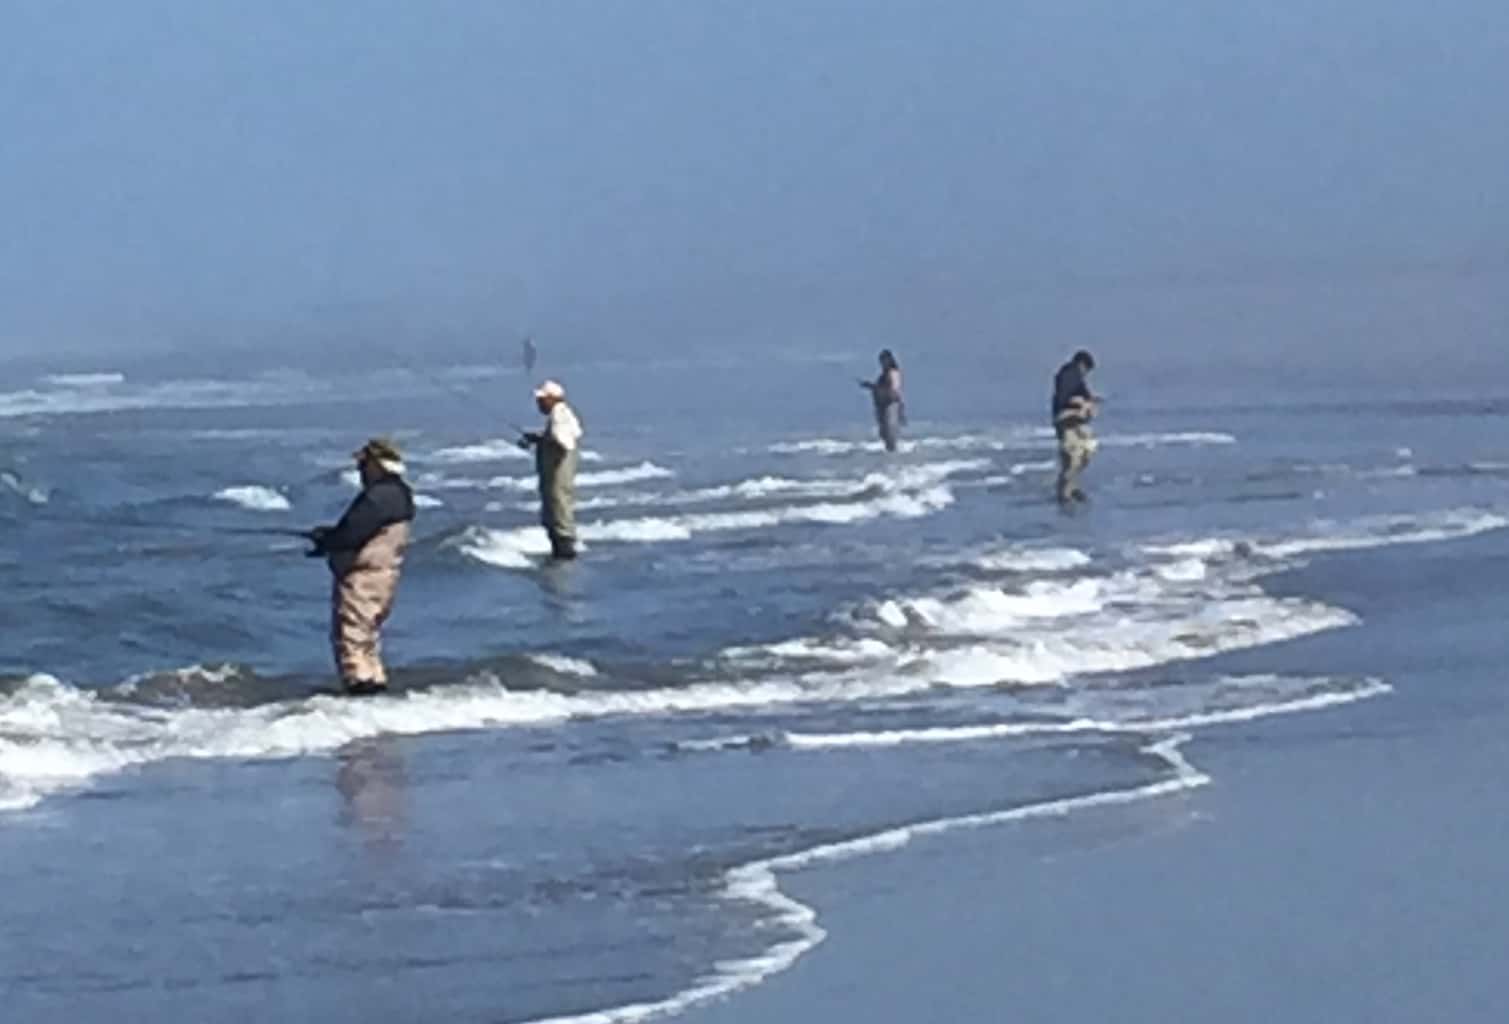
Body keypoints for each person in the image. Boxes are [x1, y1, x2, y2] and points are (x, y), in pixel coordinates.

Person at [307, 438, 416, 695]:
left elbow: (352, 533)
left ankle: (362, 692)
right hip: (384, 577)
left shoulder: (378, 498)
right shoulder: (401, 495)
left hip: (364, 577)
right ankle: (375, 683)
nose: (361, 472)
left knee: (353, 636)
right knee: (368, 637)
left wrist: (327, 541)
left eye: (364, 465)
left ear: (376, 465)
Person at [518, 380, 583, 560]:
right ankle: (562, 544)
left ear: (552, 399)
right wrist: (538, 438)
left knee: (558, 505)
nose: (539, 404)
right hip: (554, 478)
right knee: (557, 505)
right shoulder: (561, 415)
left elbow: (563, 441)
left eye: (542, 400)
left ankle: (564, 549)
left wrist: (543, 440)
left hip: (557, 476)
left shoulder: (559, 416)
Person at [1051, 349, 1098, 504]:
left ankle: (1072, 487)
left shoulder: (1077, 377)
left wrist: (1090, 401)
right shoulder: (1068, 375)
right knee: (1072, 458)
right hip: (1066, 419)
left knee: (1086, 451)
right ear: (1082, 365)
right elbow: (1064, 397)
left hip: (1078, 421)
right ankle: (1065, 492)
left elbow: (1084, 394)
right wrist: (1079, 403)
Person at [859, 349, 906, 452]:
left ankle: (892, 451)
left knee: (890, 431)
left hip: (890, 406)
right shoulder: (883, 374)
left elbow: (894, 390)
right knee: (884, 433)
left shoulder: (893, 373)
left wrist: (876, 388)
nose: (882, 363)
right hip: (882, 406)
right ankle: (890, 450)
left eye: (884, 360)